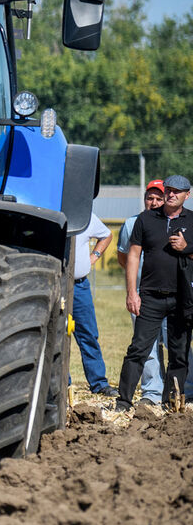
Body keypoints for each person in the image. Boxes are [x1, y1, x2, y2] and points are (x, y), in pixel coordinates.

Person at [117, 174, 193, 412]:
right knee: (138, 350)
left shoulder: (192, 221)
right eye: (168, 190)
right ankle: (123, 402)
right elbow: (132, 256)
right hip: (150, 295)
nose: (171, 194)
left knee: (179, 354)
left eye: (177, 191)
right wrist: (132, 292)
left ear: (186, 195)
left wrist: (186, 247)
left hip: (182, 298)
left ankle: (172, 402)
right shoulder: (145, 219)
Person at [119, 181, 167, 405]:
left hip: (169, 293)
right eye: (150, 198)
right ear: (144, 198)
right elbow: (124, 256)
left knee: (177, 342)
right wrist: (133, 287)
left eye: (159, 198)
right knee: (146, 347)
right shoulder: (131, 224)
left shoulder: (172, 223)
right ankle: (153, 392)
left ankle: (184, 389)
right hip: (141, 294)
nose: (154, 202)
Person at [71, 211, 114, 397]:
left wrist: (94, 256)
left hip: (79, 286)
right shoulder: (48, 209)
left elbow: (106, 235)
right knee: (54, 335)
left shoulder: (84, 215)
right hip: (52, 284)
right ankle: (62, 384)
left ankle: (98, 383)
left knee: (88, 335)